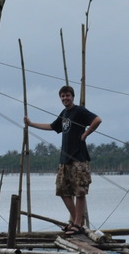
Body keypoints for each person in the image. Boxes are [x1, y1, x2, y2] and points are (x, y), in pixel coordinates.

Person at [24, 85, 102, 236]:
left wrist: (86, 134)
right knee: (62, 190)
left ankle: (78, 223)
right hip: (65, 159)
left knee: (79, 192)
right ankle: (77, 221)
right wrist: (31, 124)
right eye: (63, 96)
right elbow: (52, 126)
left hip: (79, 157)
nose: (65, 98)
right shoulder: (64, 113)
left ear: (73, 97)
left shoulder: (79, 111)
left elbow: (97, 120)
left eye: (68, 96)